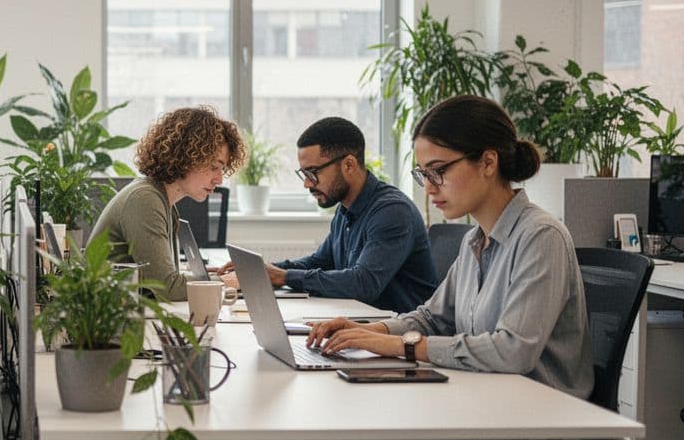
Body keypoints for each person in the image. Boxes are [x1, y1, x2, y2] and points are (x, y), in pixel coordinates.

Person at [303, 95, 593, 440]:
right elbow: (433, 316)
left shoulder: (541, 237)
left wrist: (398, 345)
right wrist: (364, 326)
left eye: (439, 171)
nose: (430, 187)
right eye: (423, 174)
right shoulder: (476, 241)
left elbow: (512, 351)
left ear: (488, 161)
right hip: (484, 424)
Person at [221, 117, 436, 313]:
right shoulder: (345, 209)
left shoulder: (392, 211)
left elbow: (363, 284)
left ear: (349, 165)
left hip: (399, 338)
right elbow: (320, 261)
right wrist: (261, 270)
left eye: (312, 172)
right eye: (303, 174)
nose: (306, 183)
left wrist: (282, 276)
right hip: (359, 324)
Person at [88, 106, 246, 301]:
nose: (219, 179)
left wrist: (206, 277)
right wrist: (226, 282)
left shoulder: (162, 201)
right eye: (214, 167)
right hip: (107, 324)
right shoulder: (144, 200)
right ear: (186, 157)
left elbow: (165, 280)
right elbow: (169, 288)